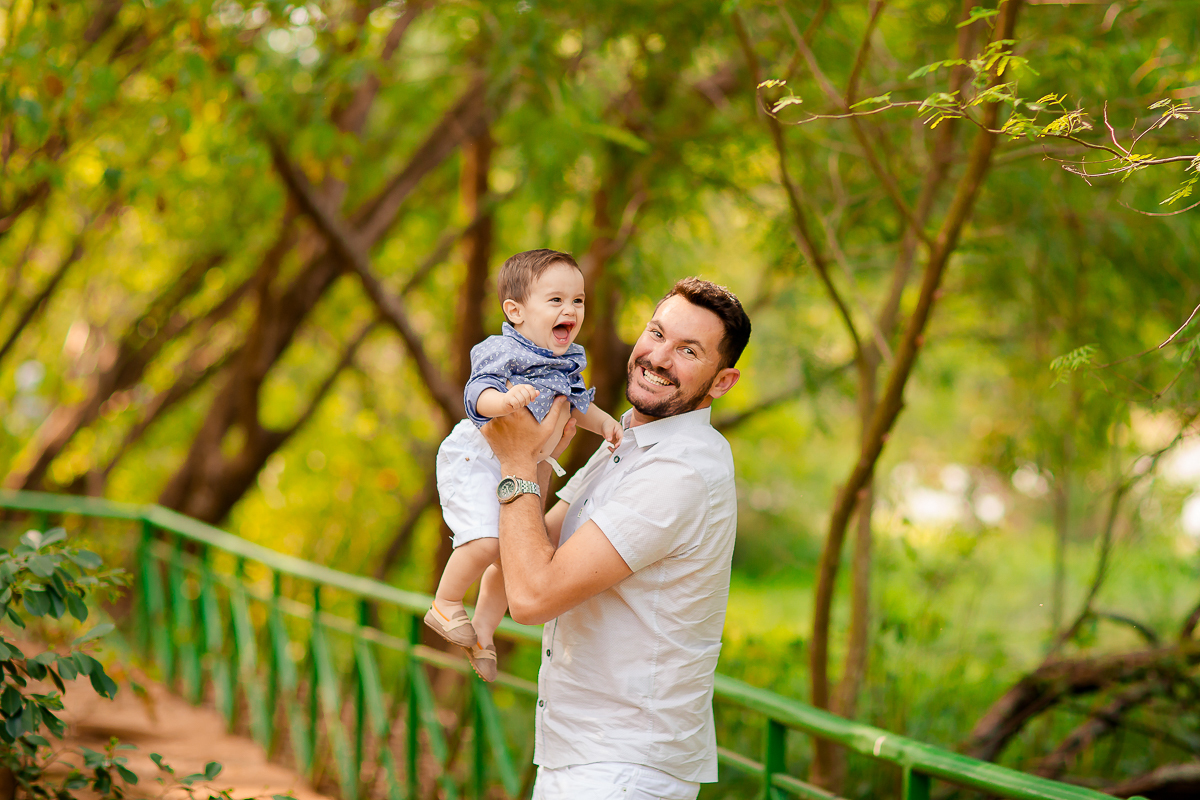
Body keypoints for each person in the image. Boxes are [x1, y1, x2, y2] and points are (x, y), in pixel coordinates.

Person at [480, 277, 751, 800]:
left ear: (722, 382)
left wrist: (516, 460)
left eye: (688, 351)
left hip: (624, 769)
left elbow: (532, 597)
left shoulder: (680, 470)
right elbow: (527, 553)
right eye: (657, 333)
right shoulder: (627, 442)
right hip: (585, 755)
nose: (659, 357)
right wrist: (536, 451)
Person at [425, 249, 622, 682]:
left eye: (578, 300)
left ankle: (483, 631)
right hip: (477, 458)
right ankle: (445, 603)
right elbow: (476, 393)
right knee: (486, 543)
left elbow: (577, 403)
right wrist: (504, 402)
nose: (570, 310)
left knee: (511, 556)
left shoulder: (567, 360)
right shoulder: (504, 349)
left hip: (522, 462)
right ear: (515, 311)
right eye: (556, 300)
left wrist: (605, 423)